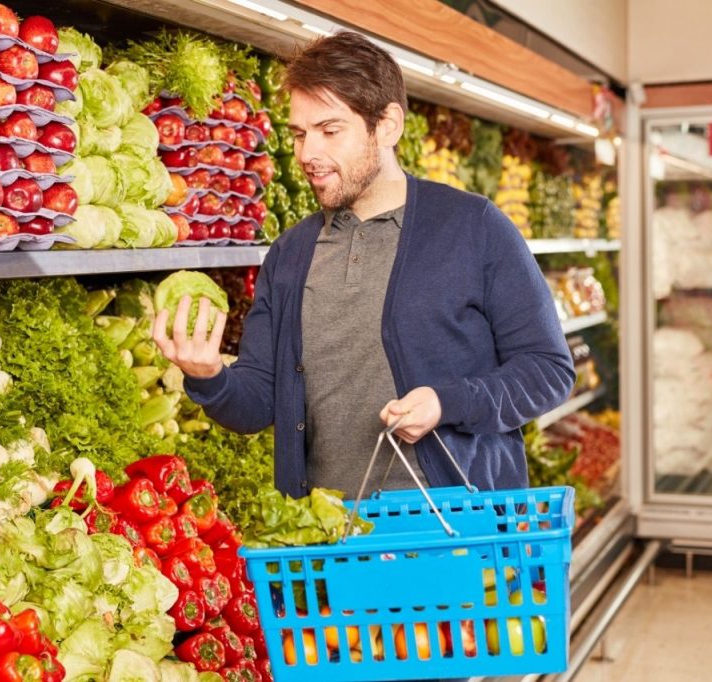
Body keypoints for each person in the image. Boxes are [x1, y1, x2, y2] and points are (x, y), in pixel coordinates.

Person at [153, 30, 574, 501]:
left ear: (388, 125)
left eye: (330, 131)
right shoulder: (290, 255)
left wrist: (447, 402)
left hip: (456, 533)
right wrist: (208, 376)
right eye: (299, 134)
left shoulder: (474, 227)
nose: (308, 154)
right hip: (329, 541)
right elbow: (256, 402)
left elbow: (548, 370)